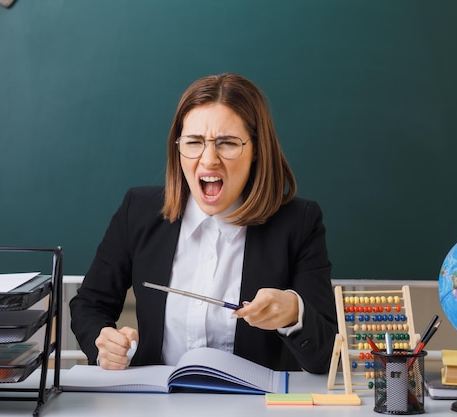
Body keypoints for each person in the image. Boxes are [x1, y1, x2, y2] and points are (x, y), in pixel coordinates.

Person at [69, 73, 337, 373]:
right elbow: (89, 306)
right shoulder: (139, 210)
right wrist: (102, 342)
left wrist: (294, 314)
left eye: (227, 143)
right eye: (194, 142)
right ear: (178, 147)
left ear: (256, 151)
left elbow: (326, 356)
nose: (209, 160)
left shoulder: (299, 223)